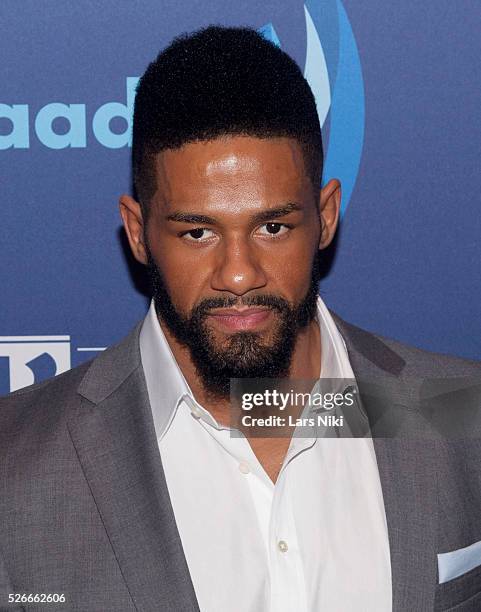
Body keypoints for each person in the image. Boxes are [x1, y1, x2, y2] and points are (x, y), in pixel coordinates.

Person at [1, 25, 481, 612]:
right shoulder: (15, 469)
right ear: (138, 232)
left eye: (272, 227)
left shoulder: (462, 415)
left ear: (326, 216)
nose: (238, 273)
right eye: (197, 232)